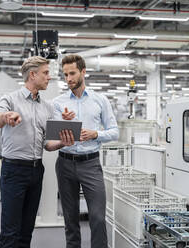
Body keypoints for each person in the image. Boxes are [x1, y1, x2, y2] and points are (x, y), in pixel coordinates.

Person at [0, 56, 74, 248]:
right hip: (14, 171)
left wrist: (63, 142)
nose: (49, 77)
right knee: (11, 230)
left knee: (27, 229)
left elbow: (48, 144)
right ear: (32, 75)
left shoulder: (47, 107)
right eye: (45, 73)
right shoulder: (10, 100)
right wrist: (5, 116)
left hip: (36, 170)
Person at [53, 54, 119, 248]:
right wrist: (64, 122)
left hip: (91, 163)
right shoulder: (58, 102)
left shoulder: (100, 100)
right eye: (65, 75)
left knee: (98, 217)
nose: (68, 79)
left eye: (72, 73)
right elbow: (54, 135)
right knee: (70, 218)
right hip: (65, 163)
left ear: (83, 72)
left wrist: (95, 134)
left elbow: (114, 132)